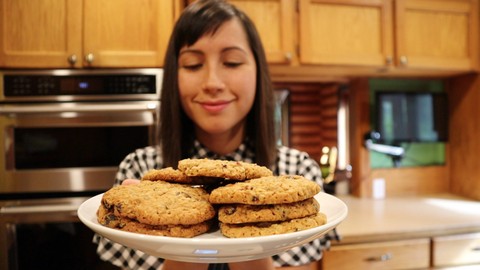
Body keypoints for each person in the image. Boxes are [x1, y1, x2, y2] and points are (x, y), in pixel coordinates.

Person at [93, 0, 329, 269]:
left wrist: (252, 232)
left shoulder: (297, 172)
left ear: (258, 72)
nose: (213, 83)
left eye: (232, 62)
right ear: (173, 76)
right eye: (193, 65)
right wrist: (181, 236)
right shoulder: (139, 171)